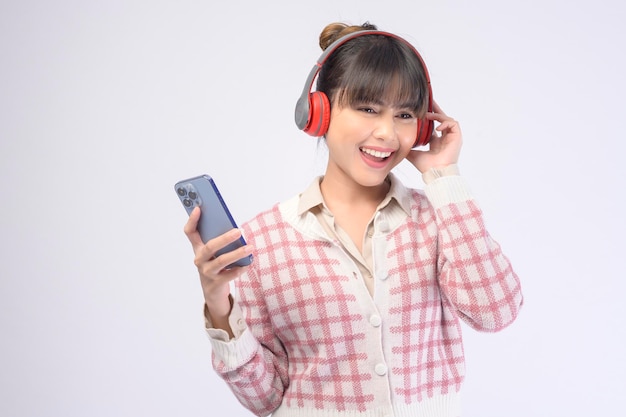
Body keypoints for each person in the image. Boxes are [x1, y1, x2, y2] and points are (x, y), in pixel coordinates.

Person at [183, 21, 523, 417]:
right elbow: (265, 398)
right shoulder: (264, 240)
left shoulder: (438, 219)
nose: (388, 133)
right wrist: (218, 304)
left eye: (405, 114)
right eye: (367, 109)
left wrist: (443, 176)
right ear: (318, 113)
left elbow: (495, 312)